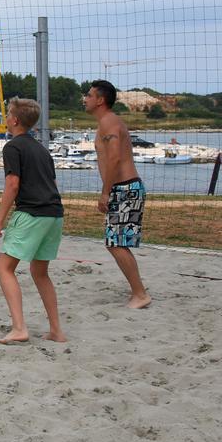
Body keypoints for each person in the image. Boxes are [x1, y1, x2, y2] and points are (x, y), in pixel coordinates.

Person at [0, 98, 66, 344]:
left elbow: (13, 184)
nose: (6, 117)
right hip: (54, 214)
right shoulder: (42, 149)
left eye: (8, 113)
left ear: (14, 120)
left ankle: (19, 328)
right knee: (40, 272)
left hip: (32, 213)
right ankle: (56, 330)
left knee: (4, 267)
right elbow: (52, 184)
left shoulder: (13, 147)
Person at [85, 79, 152, 309]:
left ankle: (140, 293)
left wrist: (105, 193)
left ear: (100, 100)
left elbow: (114, 158)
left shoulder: (109, 123)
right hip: (123, 188)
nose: (85, 99)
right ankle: (138, 291)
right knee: (116, 242)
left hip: (125, 188)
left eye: (89, 95)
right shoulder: (106, 122)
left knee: (116, 243)